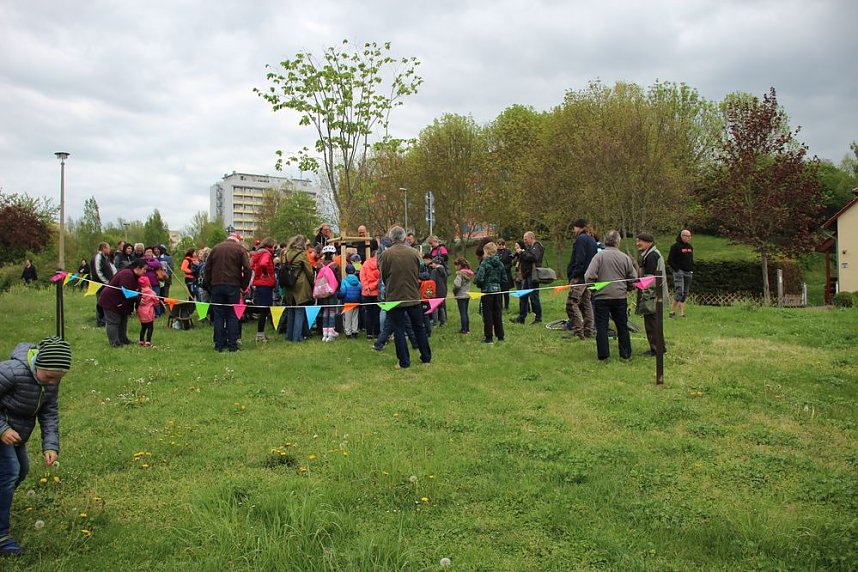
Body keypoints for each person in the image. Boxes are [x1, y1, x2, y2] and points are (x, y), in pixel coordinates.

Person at [0, 336, 71, 555]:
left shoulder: (50, 382)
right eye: (49, 376)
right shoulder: (12, 371)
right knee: (10, 471)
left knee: (21, 471)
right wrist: (2, 428)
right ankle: (1, 535)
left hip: (17, 434)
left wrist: (51, 446)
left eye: (57, 379)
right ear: (38, 363)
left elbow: (49, 414)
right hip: (3, 431)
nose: (52, 382)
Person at [379, 226, 431, 368]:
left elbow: (383, 275)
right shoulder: (415, 253)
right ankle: (426, 357)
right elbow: (421, 271)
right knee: (419, 327)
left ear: (391, 238)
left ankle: (404, 362)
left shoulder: (385, 254)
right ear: (403, 238)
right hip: (413, 295)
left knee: (399, 329)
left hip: (394, 296)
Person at [584, 230, 637, 362]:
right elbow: (633, 278)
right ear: (618, 242)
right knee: (622, 326)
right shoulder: (625, 257)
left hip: (601, 297)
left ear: (605, 240)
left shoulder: (599, 257)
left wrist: (593, 289)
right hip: (620, 296)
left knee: (601, 326)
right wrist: (627, 288)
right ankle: (625, 355)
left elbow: (589, 276)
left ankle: (604, 356)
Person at [203, 233, 252, 352]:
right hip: (233, 286)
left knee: (218, 315)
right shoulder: (240, 249)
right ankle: (232, 346)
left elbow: (207, 268)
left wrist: (209, 283)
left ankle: (219, 345)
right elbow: (248, 269)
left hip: (217, 285)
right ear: (237, 240)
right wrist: (243, 285)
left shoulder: (216, 248)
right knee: (232, 315)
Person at [97, 258, 148, 347]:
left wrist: (135, 304)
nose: (145, 271)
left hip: (121, 303)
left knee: (123, 320)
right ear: (138, 267)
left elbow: (136, 290)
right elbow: (126, 291)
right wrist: (138, 299)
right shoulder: (127, 274)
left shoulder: (135, 276)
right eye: (144, 269)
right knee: (113, 321)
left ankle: (123, 340)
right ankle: (115, 343)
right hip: (111, 301)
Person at [635, 232, 668, 356]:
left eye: (640, 241)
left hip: (652, 295)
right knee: (654, 322)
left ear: (649, 242)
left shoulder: (651, 256)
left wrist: (645, 297)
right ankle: (660, 348)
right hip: (655, 294)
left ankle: (656, 350)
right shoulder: (652, 254)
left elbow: (649, 279)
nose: (637, 243)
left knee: (651, 324)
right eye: (637, 241)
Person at [565, 219, 598, 340]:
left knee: (572, 304)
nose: (574, 230)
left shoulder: (581, 239)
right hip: (589, 277)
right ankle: (589, 330)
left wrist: (575, 274)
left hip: (580, 277)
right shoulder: (592, 239)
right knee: (586, 304)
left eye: (574, 228)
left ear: (578, 227)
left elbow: (579, 258)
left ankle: (578, 331)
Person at [280, 235, 314, 343]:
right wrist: (313, 283)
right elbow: (309, 271)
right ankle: (297, 337)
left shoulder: (285, 253)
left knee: (291, 310)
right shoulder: (302, 254)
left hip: (288, 284)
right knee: (300, 311)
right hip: (300, 284)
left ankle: (288, 336)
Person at [473, 242, 506, 344]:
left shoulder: (485, 263)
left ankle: (489, 338)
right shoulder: (500, 263)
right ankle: (500, 336)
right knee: (498, 314)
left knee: (488, 315)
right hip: (498, 291)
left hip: (487, 292)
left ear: (486, 252)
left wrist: (478, 282)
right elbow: (504, 279)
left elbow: (479, 278)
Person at [511, 231, 544, 324]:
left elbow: (533, 257)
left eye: (525, 239)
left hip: (533, 275)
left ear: (531, 238)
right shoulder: (529, 247)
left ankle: (538, 318)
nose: (524, 241)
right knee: (523, 296)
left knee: (534, 297)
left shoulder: (537, 246)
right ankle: (521, 317)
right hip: (527, 275)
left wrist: (522, 252)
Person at [250, 238, 277, 343]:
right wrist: (266, 274)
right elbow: (263, 264)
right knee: (264, 310)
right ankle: (260, 335)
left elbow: (252, 265)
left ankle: (261, 334)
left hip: (259, 283)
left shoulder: (258, 253)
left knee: (262, 310)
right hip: (265, 284)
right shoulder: (266, 254)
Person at [315, 245, 340, 342]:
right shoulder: (335, 265)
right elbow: (338, 279)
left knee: (325, 310)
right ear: (333, 254)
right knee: (332, 310)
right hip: (332, 291)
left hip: (322, 291)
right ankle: (331, 332)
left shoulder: (319, 265)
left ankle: (324, 333)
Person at [668, 229, 694, 318]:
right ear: (682, 236)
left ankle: (682, 313)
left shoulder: (690, 247)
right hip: (679, 272)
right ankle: (672, 312)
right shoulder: (675, 246)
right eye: (687, 236)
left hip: (688, 272)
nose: (689, 238)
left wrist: (691, 269)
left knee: (685, 293)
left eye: (690, 236)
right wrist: (677, 270)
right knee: (679, 292)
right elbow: (670, 260)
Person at [91, 242, 116, 327]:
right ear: (104, 248)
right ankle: (100, 321)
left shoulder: (105, 258)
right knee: (100, 302)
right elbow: (97, 271)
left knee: (106, 302)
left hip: (106, 285)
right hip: (101, 285)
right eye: (108, 248)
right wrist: (106, 282)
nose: (109, 250)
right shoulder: (98, 257)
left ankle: (105, 320)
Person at [359, 248, 381, 339]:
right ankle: (376, 333)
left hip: (366, 293)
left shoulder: (365, 263)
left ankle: (369, 334)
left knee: (368, 313)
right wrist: (372, 287)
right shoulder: (380, 264)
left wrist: (366, 287)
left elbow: (362, 276)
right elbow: (380, 279)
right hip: (376, 292)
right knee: (376, 314)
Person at [338, 265, 362, 338]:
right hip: (356, 301)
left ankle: (348, 332)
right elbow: (361, 289)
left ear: (346, 272)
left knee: (347, 317)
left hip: (347, 301)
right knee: (355, 317)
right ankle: (355, 331)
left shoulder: (344, 281)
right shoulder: (358, 281)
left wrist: (339, 296)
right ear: (354, 271)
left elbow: (343, 292)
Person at [452, 257, 474, 334]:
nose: (455, 267)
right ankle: (467, 328)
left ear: (459, 265)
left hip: (461, 295)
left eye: (456, 265)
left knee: (462, 313)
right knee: (465, 312)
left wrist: (454, 292)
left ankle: (464, 329)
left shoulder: (460, 274)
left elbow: (457, 285)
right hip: (467, 295)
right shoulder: (469, 273)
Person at [137, 276, 159, 347]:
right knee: (150, 327)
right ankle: (148, 341)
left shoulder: (138, 291)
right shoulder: (151, 292)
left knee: (143, 327)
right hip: (149, 311)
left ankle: (141, 340)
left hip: (141, 311)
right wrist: (155, 304)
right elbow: (156, 300)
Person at [428, 256, 448, 326]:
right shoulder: (444, 270)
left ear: (436, 263)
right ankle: (443, 322)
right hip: (443, 290)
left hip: (436, 290)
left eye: (432, 263)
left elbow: (432, 282)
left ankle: (435, 323)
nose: (431, 265)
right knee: (441, 306)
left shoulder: (434, 271)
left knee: (434, 307)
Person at [496, 239, 514, 311]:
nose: (500, 246)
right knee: (499, 291)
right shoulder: (495, 252)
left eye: (501, 244)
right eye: (498, 244)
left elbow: (510, 263)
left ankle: (506, 306)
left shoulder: (508, 251)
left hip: (506, 273)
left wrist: (504, 268)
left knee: (506, 291)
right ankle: (499, 306)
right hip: (498, 274)